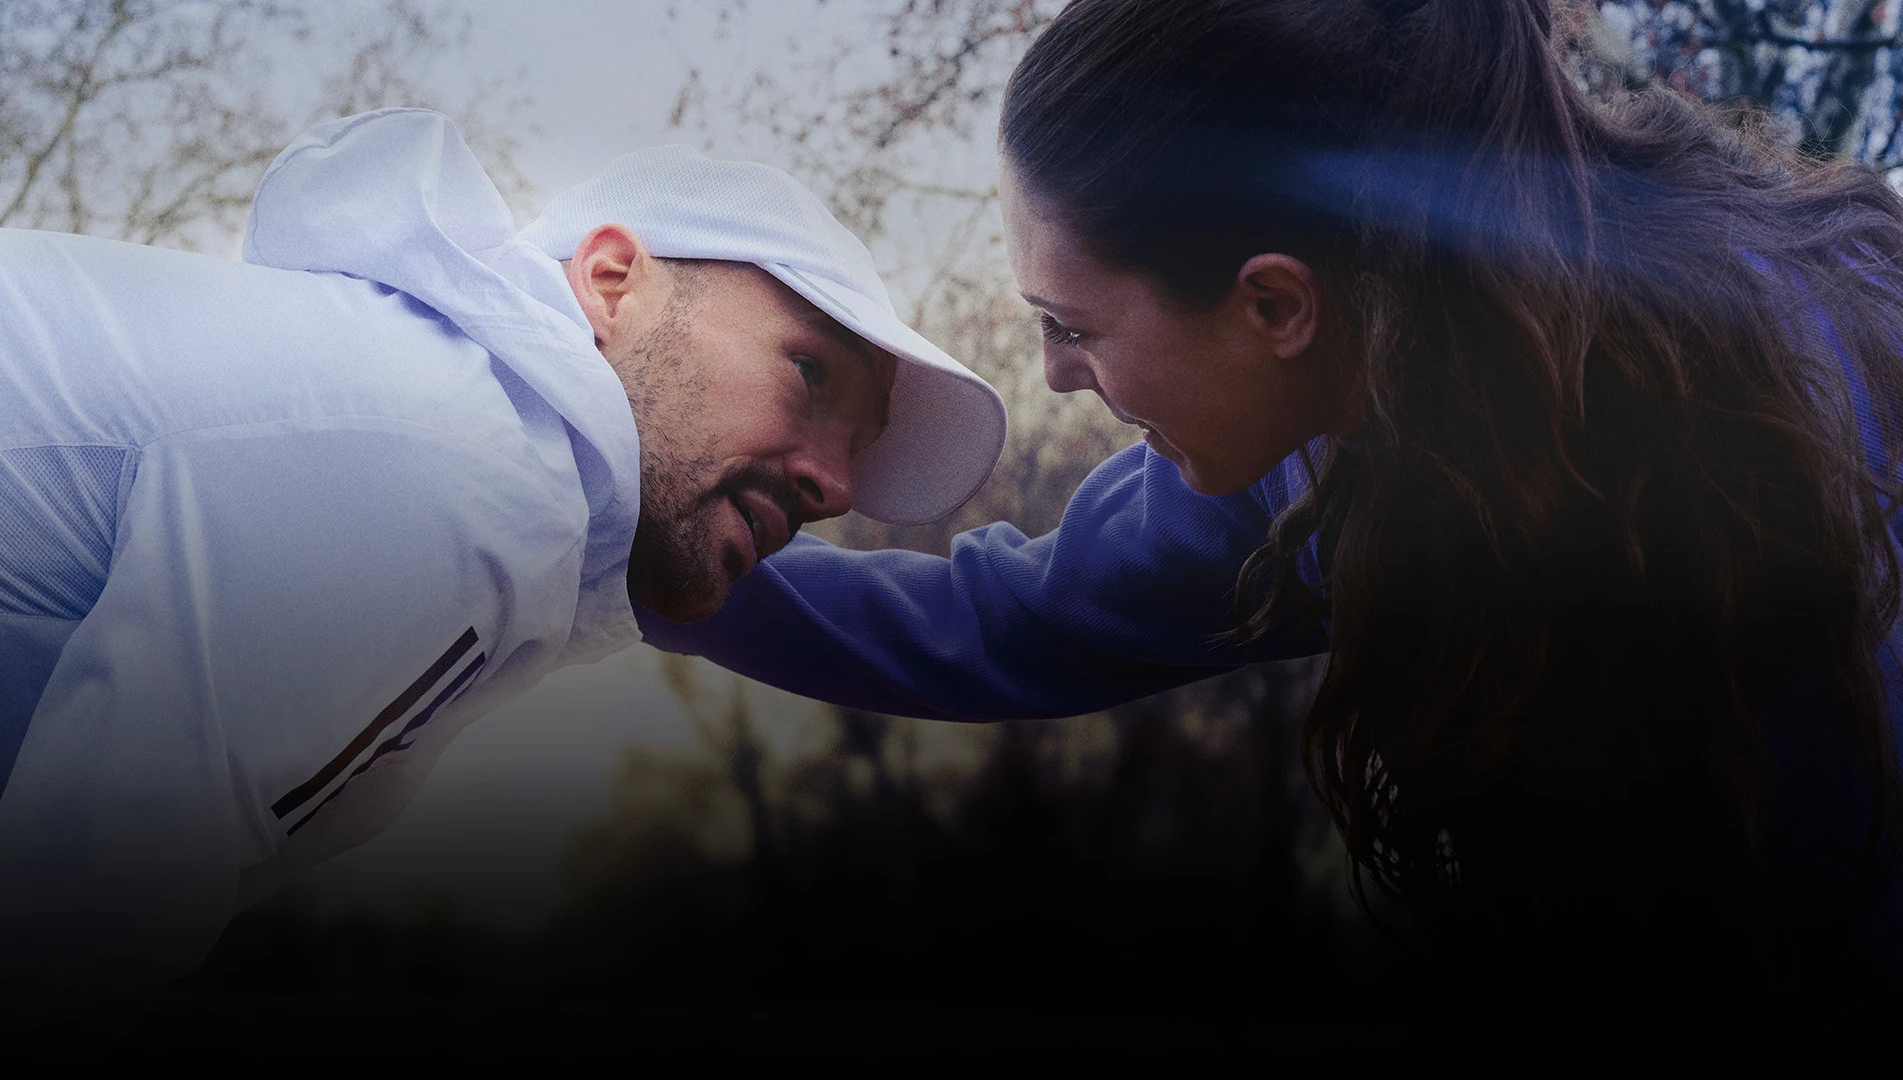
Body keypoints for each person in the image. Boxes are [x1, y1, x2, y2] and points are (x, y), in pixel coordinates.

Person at [643, 0, 1903, 1039]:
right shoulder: (1317, 433)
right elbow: (1012, 618)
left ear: (1274, 306)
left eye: (1075, 326)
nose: (1054, 375)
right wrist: (639, 533)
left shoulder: (1774, 442)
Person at [0, 107, 1005, 997]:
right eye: (810, 376)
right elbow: (75, 912)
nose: (834, 486)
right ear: (612, 283)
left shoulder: (451, 436)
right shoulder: (461, 468)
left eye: (859, 458)